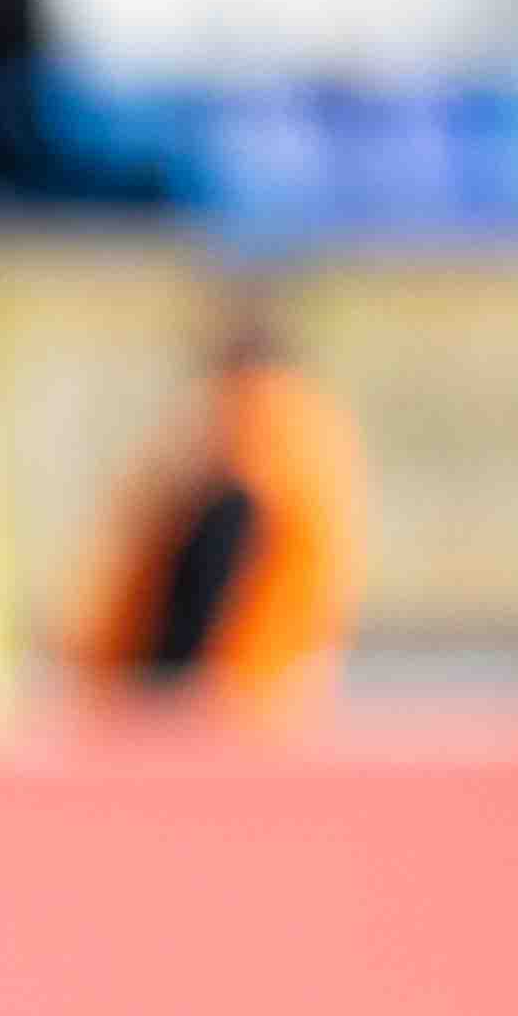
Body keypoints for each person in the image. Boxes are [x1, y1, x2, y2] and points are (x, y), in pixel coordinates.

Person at [67, 289, 363, 715]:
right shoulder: (313, 423)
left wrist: (176, 677)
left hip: (223, 687)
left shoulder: (251, 425)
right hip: (272, 682)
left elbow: (218, 553)